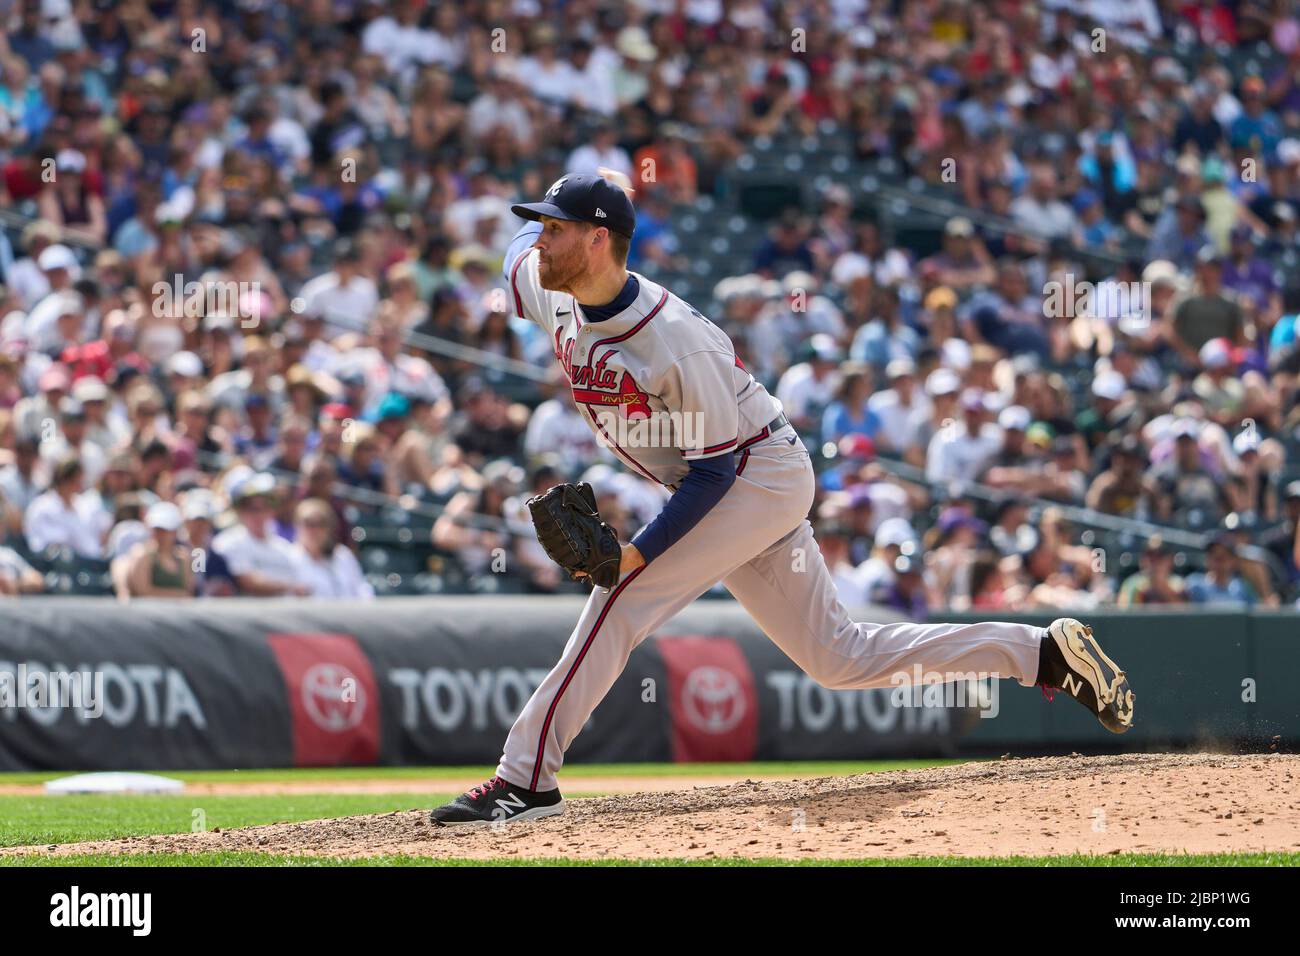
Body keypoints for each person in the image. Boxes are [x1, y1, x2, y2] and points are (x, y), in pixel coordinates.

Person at [429, 170, 1136, 827]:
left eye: (558, 228)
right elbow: (515, 253)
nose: (541, 239)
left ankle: (525, 778)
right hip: (728, 479)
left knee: (618, 598)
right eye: (542, 227)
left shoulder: (674, 340)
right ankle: (1041, 654)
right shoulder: (552, 283)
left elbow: (713, 474)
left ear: (598, 239)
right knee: (839, 658)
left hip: (754, 472)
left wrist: (637, 555)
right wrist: (554, 208)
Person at [289, 498, 373, 599]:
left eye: (321, 523)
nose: (315, 530)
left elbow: (362, 591)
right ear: (296, 525)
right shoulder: (288, 558)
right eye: (308, 523)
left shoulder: (343, 555)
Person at [120, 502, 195, 600]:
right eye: (157, 529)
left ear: (175, 531)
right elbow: (143, 593)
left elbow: (189, 591)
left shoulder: (184, 557)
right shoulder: (141, 554)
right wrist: (179, 595)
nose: (160, 534)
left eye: (165, 530)